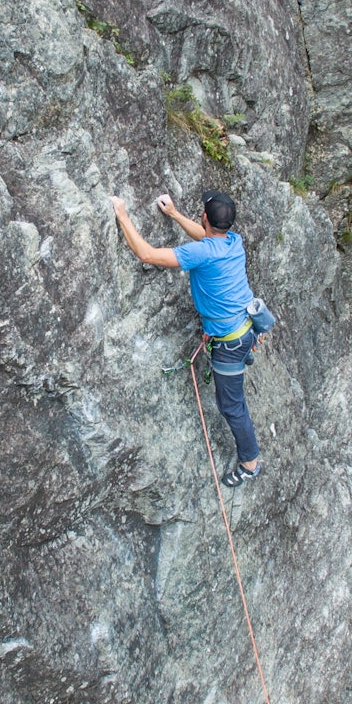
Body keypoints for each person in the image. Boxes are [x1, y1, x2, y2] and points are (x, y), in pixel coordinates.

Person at [109, 189, 262, 486]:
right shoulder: (233, 241)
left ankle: (250, 462)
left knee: (232, 406)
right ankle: (245, 353)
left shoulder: (201, 253)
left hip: (230, 343)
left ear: (205, 217)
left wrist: (122, 214)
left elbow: (147, 254)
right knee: (234, 389)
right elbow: (205, 237)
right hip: (245, 327)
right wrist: (175, 214)